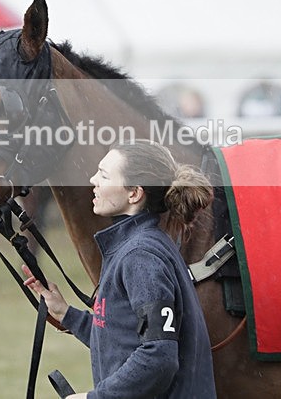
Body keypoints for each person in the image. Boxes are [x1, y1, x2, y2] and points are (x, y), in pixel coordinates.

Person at [23, 141, 217, 398]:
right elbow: (120, 340)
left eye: (103, 175)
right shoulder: (138, 246)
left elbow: (159, 355)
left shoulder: (141, 256)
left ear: (134, 194)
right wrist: (66, 314)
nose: (92, 179)